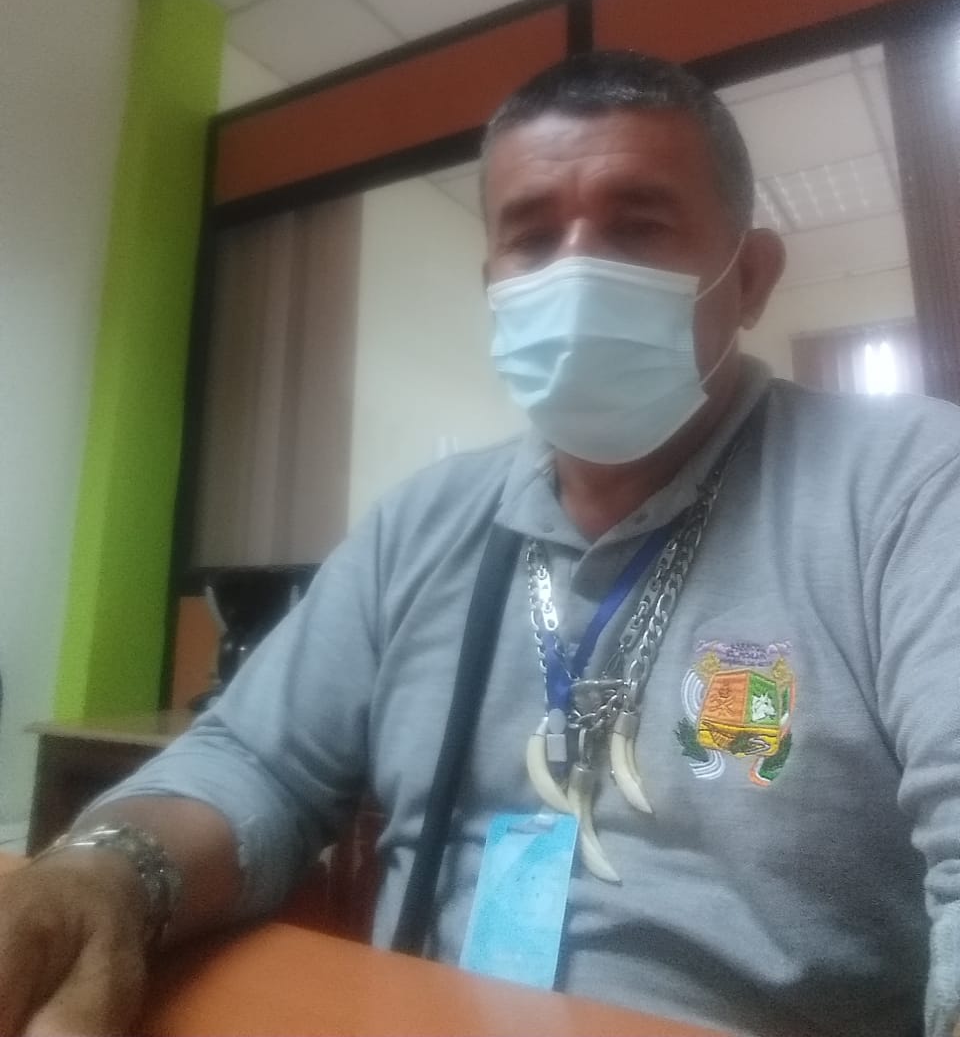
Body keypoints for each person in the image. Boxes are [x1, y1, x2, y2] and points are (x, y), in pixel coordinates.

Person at [2, 51, 959, 1037]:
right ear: (494, 282)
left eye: (637, 225)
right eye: (532, 237)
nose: (575, 273)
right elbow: (255, 761)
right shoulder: (422, 521)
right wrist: (106, 873)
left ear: (749, 276)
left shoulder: (907, 485)